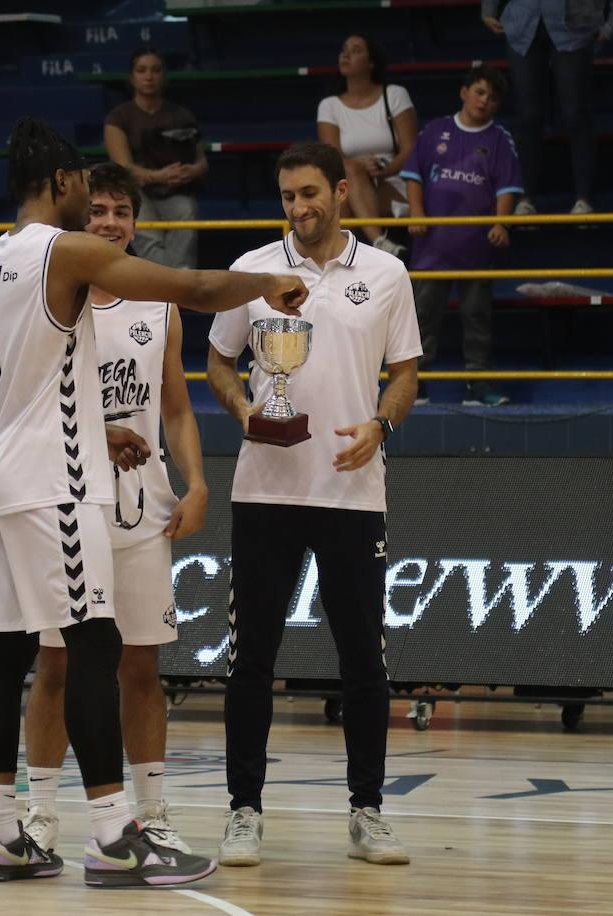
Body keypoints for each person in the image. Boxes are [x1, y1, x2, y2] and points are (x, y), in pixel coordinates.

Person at [0, 117, 304, 889]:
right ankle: (117, 836)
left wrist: (100, 422)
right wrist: (264, 284)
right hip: (56, 483)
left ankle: (0, 837)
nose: (92, 202)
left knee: (8, 652)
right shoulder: (65, 249)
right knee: (92, 646)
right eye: (83, 186)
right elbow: (191, 287)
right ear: (59, 183)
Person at [205, 141, 420, 868]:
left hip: (354, 494)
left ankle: (368, 811)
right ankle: (243, 811)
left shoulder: (388, 274)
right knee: (250, 660)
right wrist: (241, 410)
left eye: (309, 193)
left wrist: (380, 425)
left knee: (364, 658)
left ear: (339, 190)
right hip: (264, 487)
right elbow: (217, 359)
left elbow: (406, 376)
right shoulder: (252, 273)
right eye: (288, 197)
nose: (300, 208)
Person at [20, 162, 208, 856]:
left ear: (136, 222)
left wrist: (197, 483)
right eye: (96, 210)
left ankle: (151, 810)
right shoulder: (47, 299)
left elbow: (180, 408)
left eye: (120, 212)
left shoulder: (158, 305)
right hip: (66, 505)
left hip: (141, 511)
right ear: (78, 216)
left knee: (140, 667)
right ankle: (38, 814)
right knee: (57, 665)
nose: (107, 222)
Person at [402, 66, 522, 407]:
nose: (485, 101)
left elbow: (507, 187)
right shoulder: (435, 130)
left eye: (493, 97)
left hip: (476, 246)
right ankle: (414, 384)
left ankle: (478, 384)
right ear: (464, 92)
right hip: (432, 246)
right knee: (421, 316)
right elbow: (413, 176)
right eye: (480, 92)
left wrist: (502, 224)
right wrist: (416, 212)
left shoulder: (500, 139)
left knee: (477, 316)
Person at [481, 0, 613, 216]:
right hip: (522, 21)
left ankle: (583, 198)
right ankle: (525, 198)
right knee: (528, 115)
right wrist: (488, 8)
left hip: (577, 24)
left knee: (575, 113)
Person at [105, 47, 208, 270]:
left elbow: (201, 162)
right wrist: (158, 176)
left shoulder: (182, 115)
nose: (149, 76)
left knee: (186, 212)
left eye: (155, 70)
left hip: (176, 189)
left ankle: (180, 284)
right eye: (142, 70)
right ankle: (167, 284)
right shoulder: (118, 117)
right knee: (143, 225)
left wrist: (191, 171)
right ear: (132, 77)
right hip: (136, 191)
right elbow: (123, 166)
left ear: (163, 76)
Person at [317, 34, 418, 258]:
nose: (346, 54)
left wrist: (383, 169)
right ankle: (379, 242)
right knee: (348, 175)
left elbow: (411, 149)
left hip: (392, 178)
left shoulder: (394, 94)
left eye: (356, 50)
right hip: (348, 181)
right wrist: (359, 165)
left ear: (372, 62)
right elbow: (332, 157)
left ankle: (331, 261)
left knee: (341, 203)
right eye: (344, 49)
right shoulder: (329, 105)